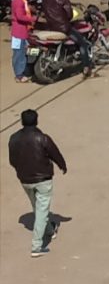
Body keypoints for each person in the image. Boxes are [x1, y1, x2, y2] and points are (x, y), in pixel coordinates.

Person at [13, 108, 63, 256]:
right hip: (43, 180)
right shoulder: (42, 138)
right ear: (36, 121)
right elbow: (55, 154)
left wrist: (21, 170)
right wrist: (62, 166)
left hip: (24, 179)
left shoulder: (13, 139)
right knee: (41, 210)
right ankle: (37, 246)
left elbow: (12, 160)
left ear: (21, 121)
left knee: (38, 207)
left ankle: (49, 230)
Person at [6, 0, 33, 83]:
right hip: (19, 33)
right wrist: (31, 18)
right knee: (19, 53)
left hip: (20, 32)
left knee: (23, 52)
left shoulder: (20, 0)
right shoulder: (19, 2)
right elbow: (20, 16)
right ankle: (19, 75)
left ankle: (22, 71)